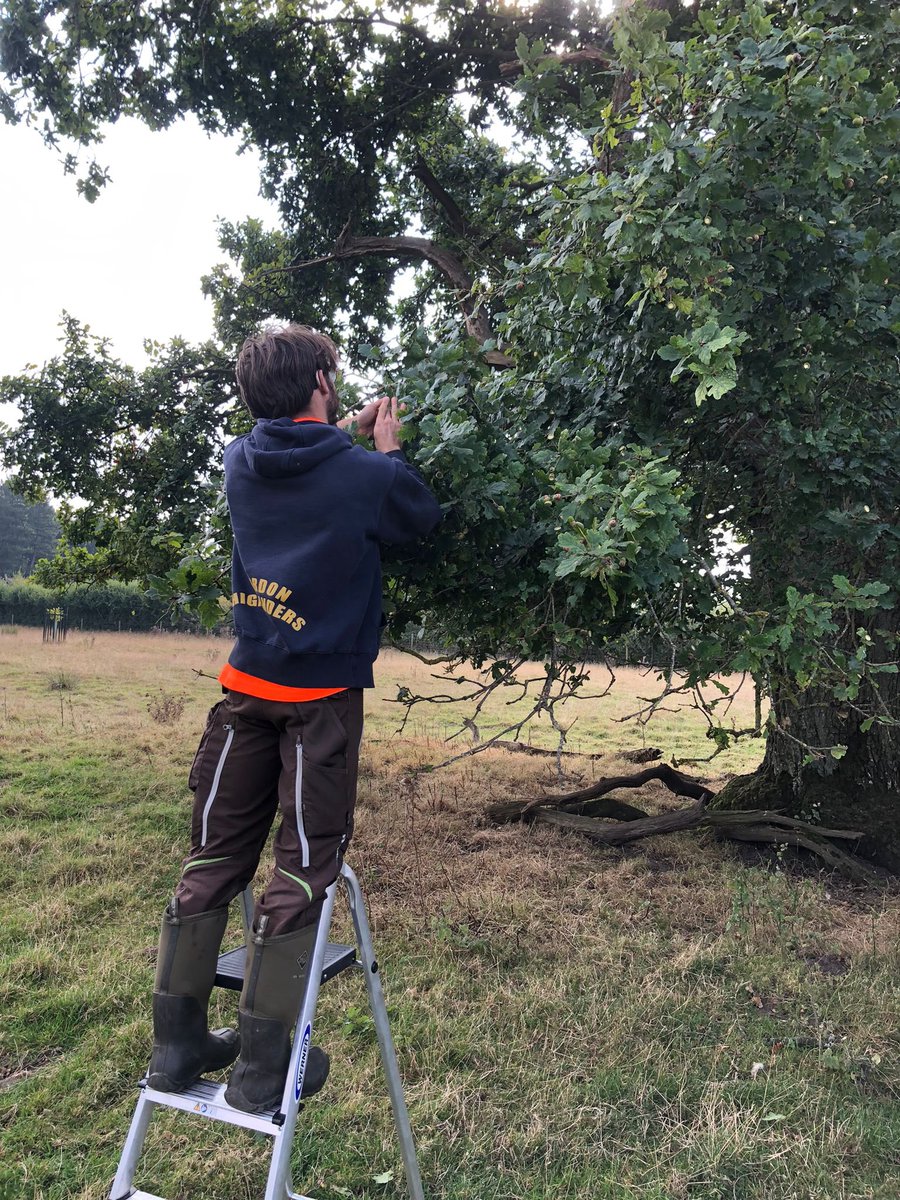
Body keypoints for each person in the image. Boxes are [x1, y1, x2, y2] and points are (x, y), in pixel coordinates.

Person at [147, 323, 442, 1114]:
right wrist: (385, 450)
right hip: (318, 706)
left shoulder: (239, 460)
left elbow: (294, 448)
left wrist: (340, 434)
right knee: (302, 869)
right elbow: (419, 518)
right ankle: (261, 1070)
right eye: (332, 375)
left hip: (243, 690)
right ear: (321, 381)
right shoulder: (362, 476)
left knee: (213, 857)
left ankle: (175, 1048)